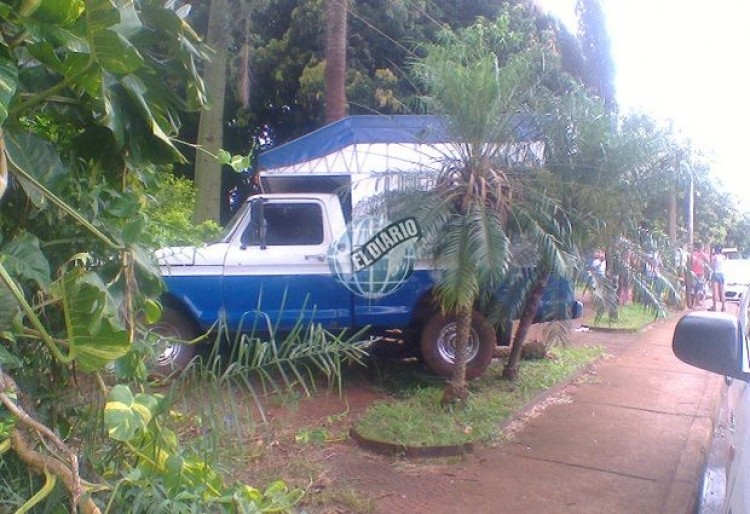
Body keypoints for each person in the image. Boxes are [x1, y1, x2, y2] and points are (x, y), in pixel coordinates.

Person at [690, 242, 709, 307]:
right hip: (700, 273)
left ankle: (694, 303)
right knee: (699, 289)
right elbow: (708, 262)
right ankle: (697, 303)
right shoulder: (703, 255)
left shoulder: (693, 254)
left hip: (694, 273)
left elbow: (691, 263)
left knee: (694, 289)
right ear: (701, 247)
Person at [710, 245, 727, 312]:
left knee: (714, 291)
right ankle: (723, 307)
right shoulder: (723, 257)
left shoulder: (714, 257)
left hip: (715, 273)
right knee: (722, 291)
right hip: (722, 274)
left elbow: (712, 266)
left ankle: (714, 307)